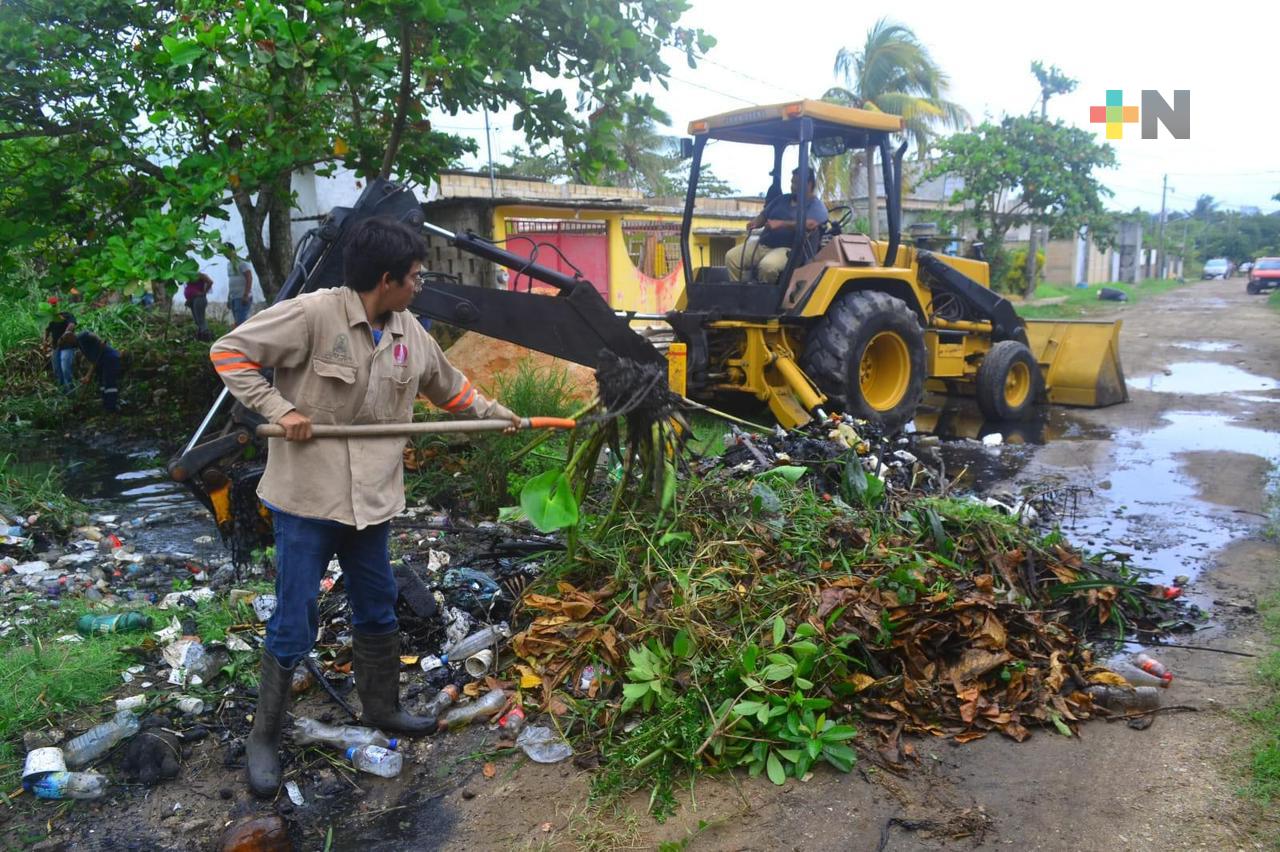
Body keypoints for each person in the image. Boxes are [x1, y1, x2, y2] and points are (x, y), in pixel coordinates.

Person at [210, 216, 520, 798]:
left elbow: (448, 387)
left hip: (372, 501)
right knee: (294, 617)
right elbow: (228, 352)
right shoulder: (312, 315)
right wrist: (279, 409)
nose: (419, 286)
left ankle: (382, 709)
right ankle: (264, 738)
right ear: (386, 279)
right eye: (414, 277)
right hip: (308, 498)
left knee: (377, 607)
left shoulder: (409, 332)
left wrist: (495, 413)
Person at [726, 168, 828, 284]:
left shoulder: (816, 205)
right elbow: (764, 216)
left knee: (768, 266)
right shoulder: (781, 200)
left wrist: (781, 224)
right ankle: (741, 293)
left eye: (796, 183)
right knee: (732, 257)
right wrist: (755, 222)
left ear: (809, 184)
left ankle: (766, 298)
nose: (792, 186)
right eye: (791, 182)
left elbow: (811, 224)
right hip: (763, 245)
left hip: (788, 250)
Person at [76, 331, 123, 412]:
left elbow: (90, 334)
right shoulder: (80, 346)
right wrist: (87, 376)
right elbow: (93, 361)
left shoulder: (81, 336)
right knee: (102, 384)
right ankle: (106, 404)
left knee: (109, 383)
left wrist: (99, 340)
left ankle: (111, 407)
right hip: (100, 362)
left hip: (109, 358)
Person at [43, 304, 78, 394]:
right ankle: (64, 391)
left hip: (67, 346)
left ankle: (71, 391)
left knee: (65, 368)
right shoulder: (50, 318)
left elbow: (71, 325)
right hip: (56, 347)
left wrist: (63, 337)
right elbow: (47, 330)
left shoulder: (66, 315)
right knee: (57, 369)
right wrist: (45, 341)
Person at [225, 244, 254, 327]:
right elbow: (231, 282)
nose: (225, 254)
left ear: (233, 251)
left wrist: (246, 295)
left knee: (241, 323)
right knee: (237, 322)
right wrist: (229, 298)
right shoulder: (229, 265)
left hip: (242, 297)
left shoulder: (242, 263)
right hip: (233, 297)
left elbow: (249, 278)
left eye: (226, 251)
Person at [184, 272, 214, 340]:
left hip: (199, 299)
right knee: (196, 320)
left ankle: (206, 336)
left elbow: (210, 282)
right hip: (192, 299)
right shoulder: (187, 274)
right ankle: (201, 335)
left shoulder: (199, 274)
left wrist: (204, 292)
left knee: (201, 319)